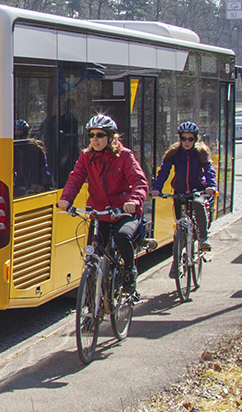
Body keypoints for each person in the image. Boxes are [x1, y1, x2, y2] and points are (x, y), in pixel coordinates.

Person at [54, 114, 149, 300]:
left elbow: (139, 181)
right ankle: (91, 308)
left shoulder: (124, 156)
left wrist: (134, 201)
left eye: (99, 135)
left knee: (122, 237)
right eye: (91, 135)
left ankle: (130, 272)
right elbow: (76, 178)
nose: (94, 139)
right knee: (93, 255)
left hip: (124, 212)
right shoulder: (86, 156)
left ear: (111, 137)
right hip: (100, 213)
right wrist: (66, 199)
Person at [153, 121, 219, 252]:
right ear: (180, 138)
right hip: (180, 191)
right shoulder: (174, 153)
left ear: (195, 139)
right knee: (179, 226)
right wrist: (157, 188)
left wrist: (211, 186)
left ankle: (204, 238)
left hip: (197, 190)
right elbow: (164, 171)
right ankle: (176, 263)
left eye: (190, 139)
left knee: (198, 205)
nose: (187, 142)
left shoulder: (200, 153)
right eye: (184, 138)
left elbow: (209, 170)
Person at [13, 119, 51, 196]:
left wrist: (40, 184)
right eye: (15, 136)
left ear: (27, 135)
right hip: (16, 186)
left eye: (21, 136)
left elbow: (43, 168)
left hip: (32, 188)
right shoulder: (10, 149)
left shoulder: (35, 148)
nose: (18, 140)